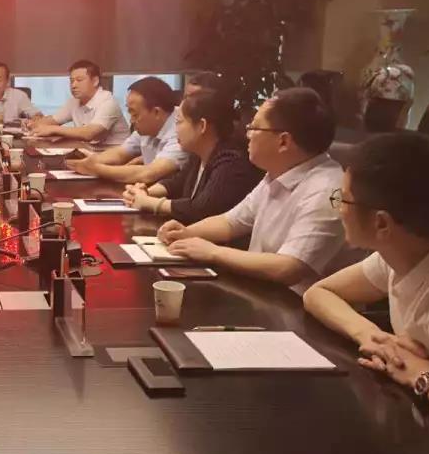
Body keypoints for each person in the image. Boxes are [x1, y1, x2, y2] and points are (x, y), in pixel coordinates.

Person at [303, 132, 429, 422]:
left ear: (381, 223)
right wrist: (371, 337)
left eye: (344, 200)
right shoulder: (405, 250)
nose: (339, 209)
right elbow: (319, 293)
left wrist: (421, 373)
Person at [158, 87, 356, 295]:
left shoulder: (327, 191)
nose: (248, 134)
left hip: (297, 306)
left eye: (254, 127)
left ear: (283, 141)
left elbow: (288, 268)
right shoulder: (278, 171)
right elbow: (231, 222)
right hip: (262, 293)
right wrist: (187, 233)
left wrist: (213, 252)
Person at [123, 89, 261, 223]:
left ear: (202, 126)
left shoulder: (231, 162)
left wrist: (150, 203)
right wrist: (144, 192)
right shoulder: (198, 155)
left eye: (179, 122)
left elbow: (200, 208)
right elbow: (175, 183)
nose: (176, 130)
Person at [65, 77, 187, 184]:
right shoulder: (147, 126)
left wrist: (96, 169)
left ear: (156, 112)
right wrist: (86, 163)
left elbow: (148, 174)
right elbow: (120, 153)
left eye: (135, 114)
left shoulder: (181, 132)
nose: (131, 121)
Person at [28, 60, 130, 144]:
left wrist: (53, 129)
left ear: (95, 81)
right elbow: (53, 120)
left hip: (115, 153)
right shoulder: (74, 101)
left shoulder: (108, 102)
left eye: (79, 80)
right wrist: (33, 124)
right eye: (71, 81)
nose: (73, 85)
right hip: (91, 151)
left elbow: (89, 133)